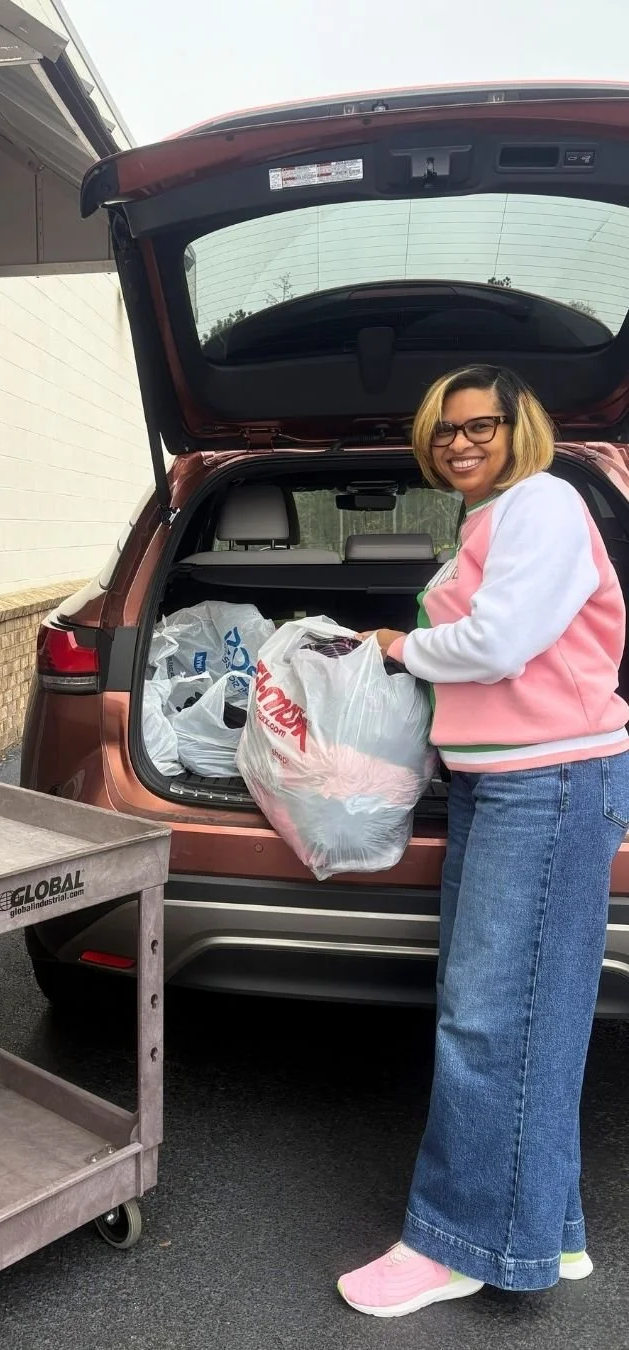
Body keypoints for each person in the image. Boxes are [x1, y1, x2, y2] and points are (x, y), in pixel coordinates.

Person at [339, 364, 629, 1316]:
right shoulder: (490, 516)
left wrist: (400, 646)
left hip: (545, 782)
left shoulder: (540, 505)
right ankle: (546, 1228)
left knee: (488, 1019)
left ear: (520, 428)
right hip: (503, 779)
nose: (459, 444)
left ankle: (459, 1243)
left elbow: (500, 642)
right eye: (443, 431)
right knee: (529, 1016)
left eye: (479, 427)